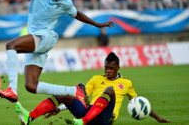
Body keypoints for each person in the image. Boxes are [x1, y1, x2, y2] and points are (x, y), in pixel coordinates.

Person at [0, 0, 115, 103]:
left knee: (11, 46)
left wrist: (97, 24)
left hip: (46, 36)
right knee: (31, 86)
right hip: (37, 38)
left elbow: (77, 14)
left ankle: (12, 89)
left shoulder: (66, 3)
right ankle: (74, 91)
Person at [15, 52, 170, 125]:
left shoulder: (127, 83)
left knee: (110, 90)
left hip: (105, 119)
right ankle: (30, 117)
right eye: (106, 68)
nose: (107, 71)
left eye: (111, 68)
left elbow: (138, 102)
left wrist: (157, 117)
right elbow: (80, 95)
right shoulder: (96, 79)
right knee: (64, 95)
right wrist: (61, 108)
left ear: (118, 68)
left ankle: (83, 122)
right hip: (89, 112)